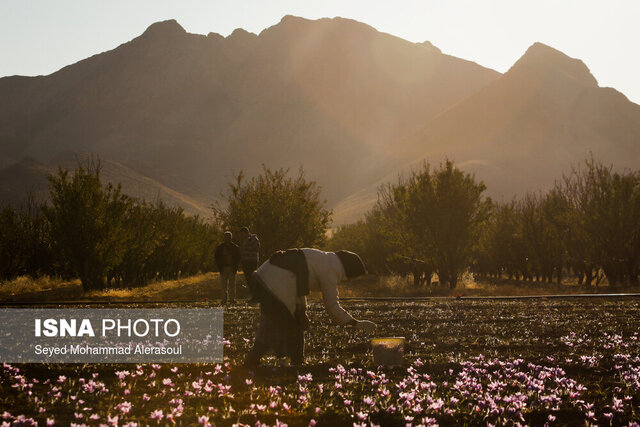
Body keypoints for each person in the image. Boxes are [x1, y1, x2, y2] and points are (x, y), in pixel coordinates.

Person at [245, 248, 377, 366]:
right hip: (275, 282)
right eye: (353, 278)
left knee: (271, 323)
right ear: (349, 271)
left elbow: (298, 285)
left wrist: (302, 311)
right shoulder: (331, 270)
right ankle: (296, 362)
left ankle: (254, 358)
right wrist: (356, 323)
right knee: (291, 327)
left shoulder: (324, 259)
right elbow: (332, 307)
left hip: (265, 277)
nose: (350, 281)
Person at [214, 231, 241, 304]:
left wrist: (235, 267)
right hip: (223, 268)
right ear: (224, 238)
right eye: (226, 237)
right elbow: (216, 258)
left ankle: (232, 299)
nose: (227, 238)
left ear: (231, 238)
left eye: (228, 237)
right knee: (224, 285)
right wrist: (220, 267)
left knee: (232, 285)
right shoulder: (220, 247)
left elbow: (238, 258)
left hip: (232, 268)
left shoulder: (235, 247)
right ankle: (224, 299)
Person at [238, 227, 260, 300]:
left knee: (252, 279)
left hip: (252, 262)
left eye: (242, 233)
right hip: (246, 262)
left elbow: (257, 248)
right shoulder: (245, 240)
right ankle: (253, 296)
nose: (241, 236)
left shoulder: (253, 238)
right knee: (248, 280)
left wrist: (250, 241)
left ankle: (256, 296)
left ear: (246, 232)